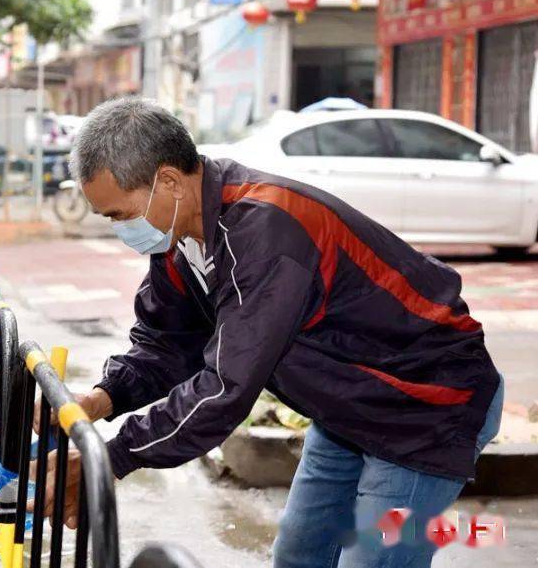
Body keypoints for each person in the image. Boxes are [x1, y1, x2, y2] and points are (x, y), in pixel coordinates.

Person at [44, 97, 503, 568]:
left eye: (120, 214)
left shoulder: (266, 231)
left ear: (168, 181)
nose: (121, 229)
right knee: (300, 555)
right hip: (346, 408)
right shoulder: (183, 238)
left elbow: (226, 386)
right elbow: (166, 342)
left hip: (422, 405)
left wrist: (116, 455)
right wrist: (101, 400)